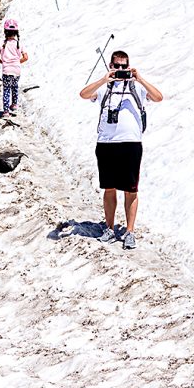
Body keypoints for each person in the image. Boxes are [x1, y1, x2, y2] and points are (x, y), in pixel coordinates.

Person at [79, 50, 163, 251]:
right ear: (110, 66)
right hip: (106, 144)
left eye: (124, 66)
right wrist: (103, 80)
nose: (120, 70)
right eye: (117, 66)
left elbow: (158, 97)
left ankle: (130, 231)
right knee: (109, 188)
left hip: (131, 144)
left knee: (130, 190)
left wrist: (139, 78)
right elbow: (83, 94)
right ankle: (109, 228)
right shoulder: (105, 89)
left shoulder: (137, 89)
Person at [0, 18, 28, 118]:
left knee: (6, 90)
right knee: (14, 87)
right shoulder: (19, 44)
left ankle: (6, 112)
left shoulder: (1, 44)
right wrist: (17, 62)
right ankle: (14, 105)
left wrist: (4, 62)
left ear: (5, 32)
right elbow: (25, 57)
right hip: (17, 70)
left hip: (6, 70)